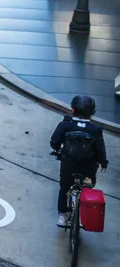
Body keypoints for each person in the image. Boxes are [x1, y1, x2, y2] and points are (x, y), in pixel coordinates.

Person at [50, 95, 109, 227]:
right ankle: (83, 215)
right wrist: (103, 163)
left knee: (64, 187)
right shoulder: (95, 130)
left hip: (68, 164)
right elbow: (100, 150)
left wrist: (58, 150)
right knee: (87, 187)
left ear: (72, 109)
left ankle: (63, 215)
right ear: (92, 113)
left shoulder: (65, 125)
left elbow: (54, 142)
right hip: (88, 167)